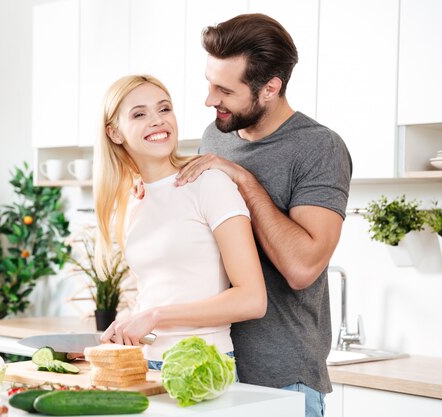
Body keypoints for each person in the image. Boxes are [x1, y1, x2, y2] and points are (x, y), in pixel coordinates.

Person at [174, 13, 353, 417]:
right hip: (211, 369)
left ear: (270, 88)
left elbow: (302, 267)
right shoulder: (214, 134)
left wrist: (243, 179)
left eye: (224, 89)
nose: (209, 100)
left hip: (282, 380)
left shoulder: (319, 148)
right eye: (209, 82)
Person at [93, 74, 267, 370]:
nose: (158, 120)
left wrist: (156, 316)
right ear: (115, 133)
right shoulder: (133, 199)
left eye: (164, 109)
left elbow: (252, 300)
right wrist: (128, 325)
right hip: (146, 363)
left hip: (204, 364)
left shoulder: (209, 183)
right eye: (139, 114)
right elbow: (158, 290)